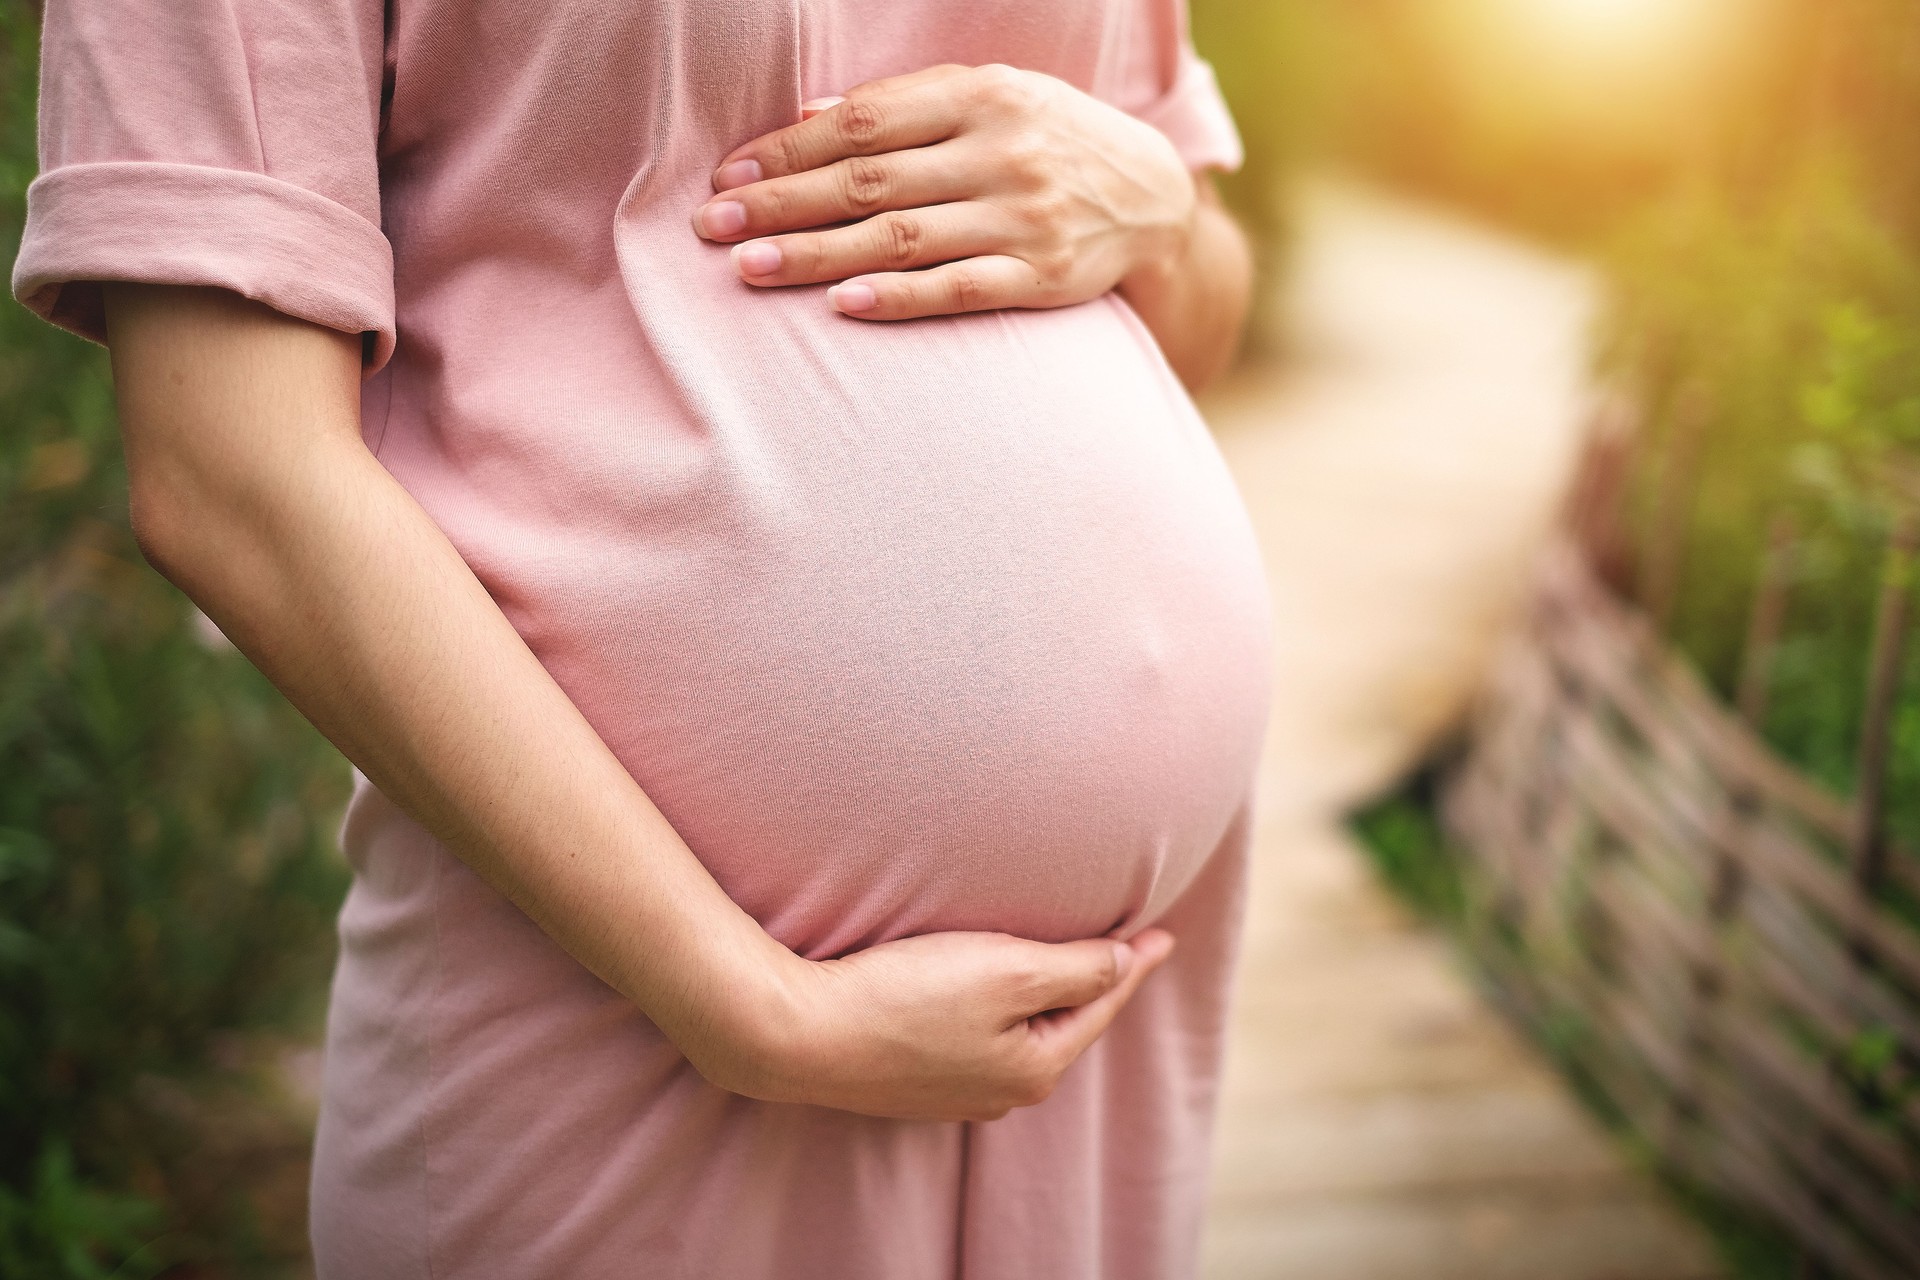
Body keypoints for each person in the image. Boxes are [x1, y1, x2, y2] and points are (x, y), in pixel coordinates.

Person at [13, 0, 1272, 1275]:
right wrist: (758, 1011)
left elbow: (1196, 318)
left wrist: (1158, 204)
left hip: (1093, 1049)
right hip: (624, 1014)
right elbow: (229, 476)